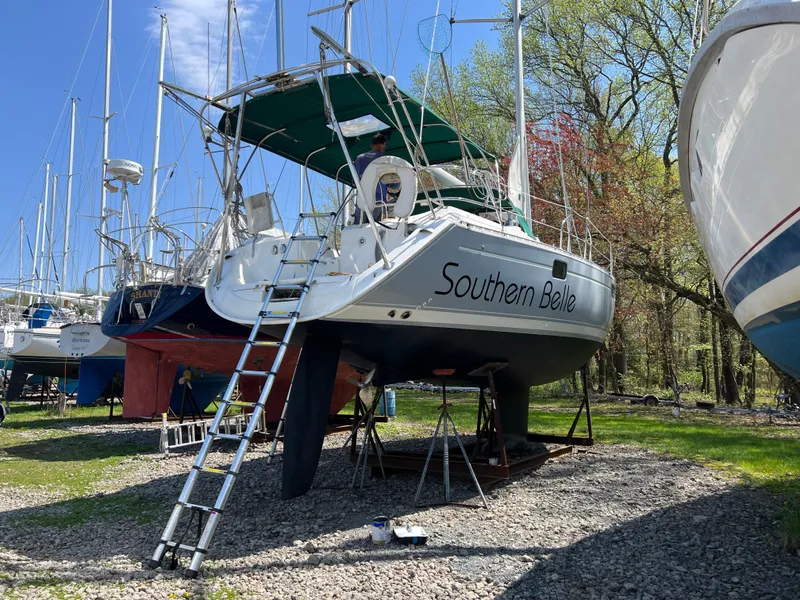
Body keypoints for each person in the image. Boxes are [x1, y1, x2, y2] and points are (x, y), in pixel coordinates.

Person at [354, 133, 389, 223]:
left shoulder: (359, 158)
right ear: (384, 144)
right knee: (374, 229)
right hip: (378, 200)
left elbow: (354, 182)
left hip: (362, 200)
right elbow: (394, 184)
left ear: (371, 145)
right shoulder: (386, 159)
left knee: (359, 228)